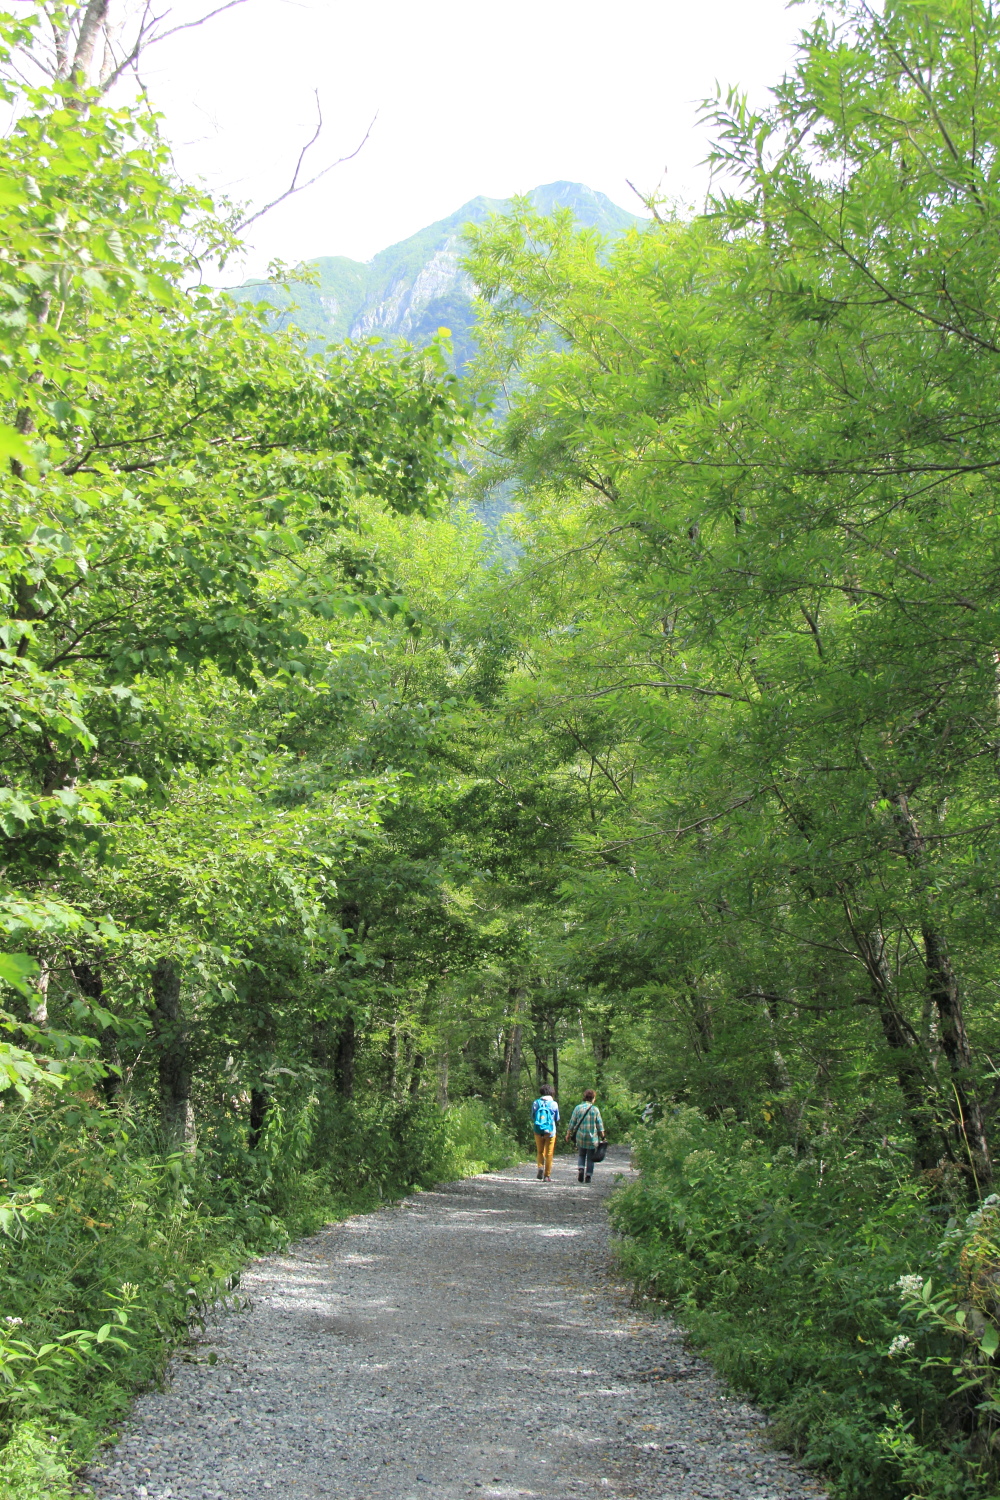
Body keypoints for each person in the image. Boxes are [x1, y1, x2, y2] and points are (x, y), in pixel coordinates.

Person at [566, 1089, 605, 1183]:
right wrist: (603, 1136)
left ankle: (581, 1169)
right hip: (592, 1139)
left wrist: (568, 1134)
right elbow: (599, 1125)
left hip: (580, 1137)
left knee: (581, 1154)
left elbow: (572, 1122)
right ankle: (588, 1175)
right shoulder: (595, 1109)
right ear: (593, 1098)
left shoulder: (578, 1108)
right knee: (591, 1157)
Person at [531, 1085, 559, 1181]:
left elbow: (533, 1116)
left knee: (540, 1151)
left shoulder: (536, 1103)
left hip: (538, 1130)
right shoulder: (554, 1104)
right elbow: (557, 1118)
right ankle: (547, 1176)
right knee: (549, 1153)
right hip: (550, 1132)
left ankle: (540, 1167)